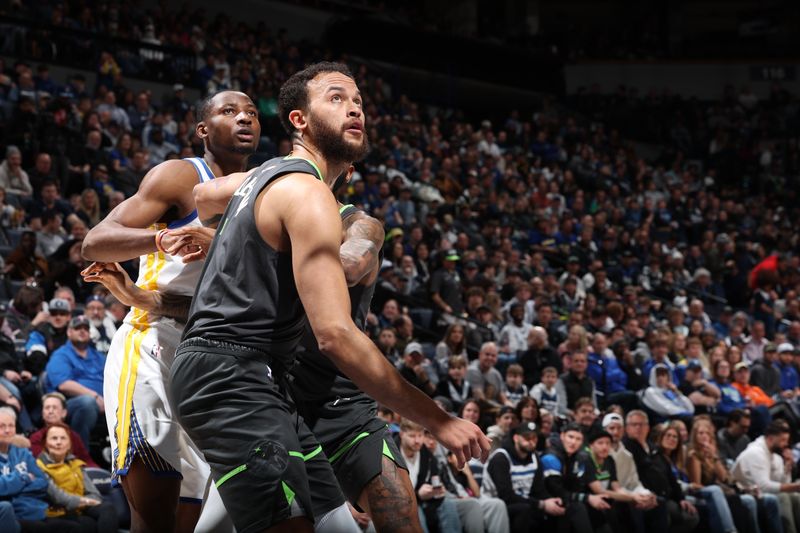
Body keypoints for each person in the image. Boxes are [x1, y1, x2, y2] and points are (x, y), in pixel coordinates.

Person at [169, 62, 489, 532]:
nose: (355, 108)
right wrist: (439, 421)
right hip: (232, 374)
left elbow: (204, 194)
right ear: (299, 120)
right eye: (337, 98)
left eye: (358, 100)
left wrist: (222, 231)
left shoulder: (273, 180)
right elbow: (335, 334)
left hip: (264, 378)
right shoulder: (304, 191)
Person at [80, 89, 261, 533]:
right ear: (203, 129)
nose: (245, 119)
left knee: (190, 519)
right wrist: (159, 238)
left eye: (253, 113)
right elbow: (95, 241)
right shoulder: (180, 176)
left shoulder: (263, 189)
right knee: (155, 511)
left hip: (212, 355)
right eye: (230, 111)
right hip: (152, 347)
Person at [0, 407, 81, 532]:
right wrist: (24, 478)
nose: (7, 430)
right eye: (2, 426)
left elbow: (42, 482)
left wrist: (13, 488)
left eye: (11, 426)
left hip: (37, 510)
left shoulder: (23, 453)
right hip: (14, 515)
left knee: (77, 527)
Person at [482, 421, 566, 533]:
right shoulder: (501, 458)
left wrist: (550, 500)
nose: (531, 441)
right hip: (496, 505)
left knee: (558, 509)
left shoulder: (535, 457)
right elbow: (506, 496)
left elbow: (538, 490)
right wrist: (542, 504)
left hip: (524, 502)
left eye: (534, 438)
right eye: (527, 437)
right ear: (516, 438)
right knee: (525, 510)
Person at [623, 410, 698, 533]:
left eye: (642, 424)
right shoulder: (627, 447)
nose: (638, 428)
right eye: (634, 424)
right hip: (645, 496)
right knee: (670, 513)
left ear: (647, 427)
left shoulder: (654, 448)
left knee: (692, 516)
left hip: (666, 496)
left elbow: (670, 476)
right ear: (627, 428)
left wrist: (680, 498)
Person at [36, 422, 118, 532]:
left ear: (69, 444)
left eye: (63, 438)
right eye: (54, 438)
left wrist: (86, 502)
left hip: (79, 509)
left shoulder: (76, 463)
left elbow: (94, 494)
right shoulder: (39, 466)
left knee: (107, 508)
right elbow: (58, 497)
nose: (59, 442)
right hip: (56, 512)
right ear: (45, 443)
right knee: (87, 525)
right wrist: (85, 501)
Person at [686, 416, 759, 533]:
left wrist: (714, 457)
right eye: (700, 433)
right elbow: (696, 484)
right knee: (726, 495)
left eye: (707, 433)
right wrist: (722, 491)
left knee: (748, 500)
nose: (704, 436)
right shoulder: (693, 455)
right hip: (702, 492)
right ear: (694, 436)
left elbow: (724, 478)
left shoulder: (713, 454)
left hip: (717, 490)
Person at [43, 316, 104, 450]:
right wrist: (95, 396)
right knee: (87, 403)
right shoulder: (61, 355)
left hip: (104, 403)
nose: (82, 331)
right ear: (69, 332)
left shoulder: (98, 356)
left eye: (85, 329)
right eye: (77, 328)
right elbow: (64, 384)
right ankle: (79, 453)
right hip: (69, 404)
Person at [732, 420, 800, 533]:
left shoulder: (775, 456)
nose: (786, 444)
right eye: (783, 440)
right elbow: (764, 486)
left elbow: (782, 482)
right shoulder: (756, 452)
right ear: (770, 438)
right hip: (745, 492)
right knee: (783, 497)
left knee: (795, 496)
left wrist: (788, 467)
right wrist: (795, 486)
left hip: (762, 493)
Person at [398, 420, 461, 533]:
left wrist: (435, 491)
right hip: (400, 503)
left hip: (424, 501)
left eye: (420, 435)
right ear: (402, 434)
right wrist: (418, 495)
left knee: (448, 504)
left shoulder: (427, 455)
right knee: (415, 511)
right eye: (412, 436)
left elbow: (433, 480)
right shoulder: (390, 453)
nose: (417, 441)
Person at [540, 422, 605, 531]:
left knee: (599, 508)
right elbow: (556, 491)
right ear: (562, 436)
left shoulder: (579, 457)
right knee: (578, 508)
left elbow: (577, 486)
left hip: (567, 499)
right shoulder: (551, 458)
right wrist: (586, 498)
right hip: (549, 502)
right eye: (570, 437)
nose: (573, 442)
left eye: (578, 439)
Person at [29, 392, 97, 467]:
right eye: (47, 408)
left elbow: (86, 461)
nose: (50, 411)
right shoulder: (36, 438)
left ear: (64, 413)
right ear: (42, 413)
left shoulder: (73, 436)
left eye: (54, 408)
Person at [555, 351, 597, 417]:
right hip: (568, 417)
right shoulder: (562, 381)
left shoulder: (590, 382)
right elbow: (561, 408)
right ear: (571, 363)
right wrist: (577, 415)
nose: (579, 364)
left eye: (582, 361)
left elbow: (594, 405)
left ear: (586, 364)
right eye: (576, 361)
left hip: (588, 416)